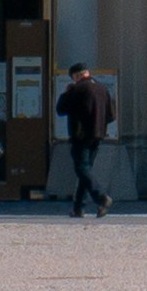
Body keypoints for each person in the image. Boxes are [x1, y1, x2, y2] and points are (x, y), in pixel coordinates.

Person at [57, 62, 119, 217]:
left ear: (77, 76)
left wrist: (66, 93)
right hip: (98, 134)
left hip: (80, 135)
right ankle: (79, 207)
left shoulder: (76, 89)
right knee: (86, 170)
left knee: (82, 169)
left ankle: (101, 197)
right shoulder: (103, 88)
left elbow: (61, 109)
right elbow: (111, 116)